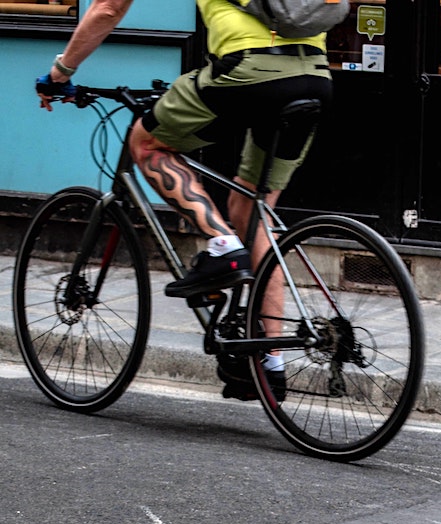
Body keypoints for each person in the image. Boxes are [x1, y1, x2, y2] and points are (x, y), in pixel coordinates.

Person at [37, 0, 334, 399]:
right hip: (314, 76)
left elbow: (107, 8)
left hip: (247, 70)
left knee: (147, 144)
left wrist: (62, 72)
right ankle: (269, 361)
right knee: (254, 211)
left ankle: (222, 245)